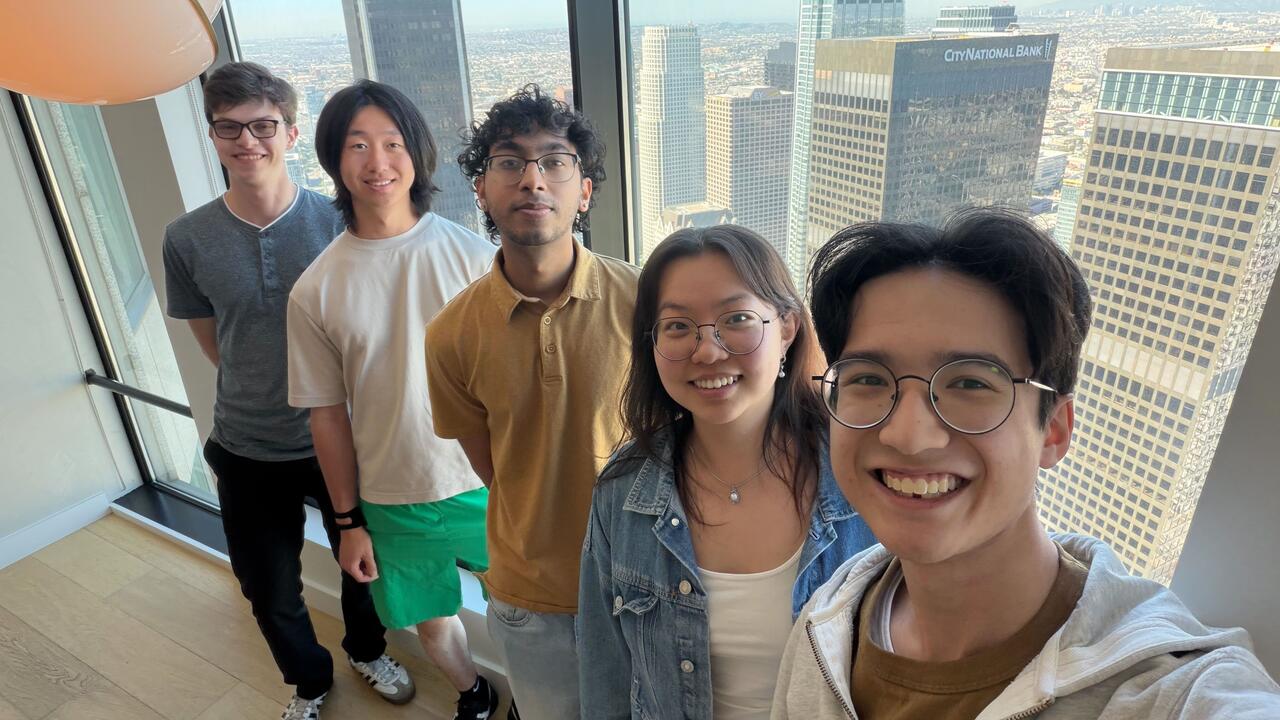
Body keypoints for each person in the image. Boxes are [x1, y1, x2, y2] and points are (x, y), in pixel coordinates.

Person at [771, 208, 1280, 719]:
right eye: (868, 379)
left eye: (970, 382)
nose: (908, 435)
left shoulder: (1172, 688)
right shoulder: (828, 618)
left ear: (1054, 430)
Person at [162, 62, 411, 720]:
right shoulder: (186, 239)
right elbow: (214, 339)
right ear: (212, 135)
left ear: (292, 133)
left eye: (263, 126)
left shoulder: (340, 222)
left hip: (347, 437)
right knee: (268, 590)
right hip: (245, 445)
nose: (248, 141)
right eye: (229, 128)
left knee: (366, 569)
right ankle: (308, 682)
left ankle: (366, 648)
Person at [577, 225, 878, 719]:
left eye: (736, 318)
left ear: (786, 328)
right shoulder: (625, 488)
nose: (708, 350)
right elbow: (604, 667)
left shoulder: (862, 472)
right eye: (677, 326)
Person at [425, 85, 638, 720]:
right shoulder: (451, 335)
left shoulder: (646, 299)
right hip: (530, 593)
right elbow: (494, 466)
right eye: (510, 162)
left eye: (554, 161)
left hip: (644, 576)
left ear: (585, 191)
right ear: (483, 191)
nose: (532, 180)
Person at [286, 79, 498, 720]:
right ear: (334, 159)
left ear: (417, 155)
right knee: (432, 624)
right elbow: (327, 417)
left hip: (489, 479)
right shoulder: (316, 289)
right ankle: (475, 694)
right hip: (391, 494)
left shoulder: (474, 257)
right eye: (357, 146)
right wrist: (347, 523)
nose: (377, 162)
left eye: (393, 143)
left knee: (531, 609)